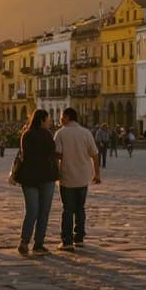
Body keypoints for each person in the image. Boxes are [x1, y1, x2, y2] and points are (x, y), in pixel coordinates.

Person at [53, 107, 100, 252]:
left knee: (68, 209)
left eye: (62, 117)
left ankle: (66, 241)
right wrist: (97, 174)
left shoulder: (60, 133)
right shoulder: (86, 133)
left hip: (67, 176)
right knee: (80, 208)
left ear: (67, 117)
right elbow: (94, 155)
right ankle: (79, 238)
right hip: (83, 177)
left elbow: (58, 155)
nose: (60, 120)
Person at [12, 109, 58, 255]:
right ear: (42, 120)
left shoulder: (26, 134)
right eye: (48, 119)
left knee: (31, 211)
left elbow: (23, 155)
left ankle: (24, 241)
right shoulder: (46, 134)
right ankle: (38, 244)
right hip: (45, 176)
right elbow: (52, 152)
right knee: (43, 212)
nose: (49, 122)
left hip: (29, 177)